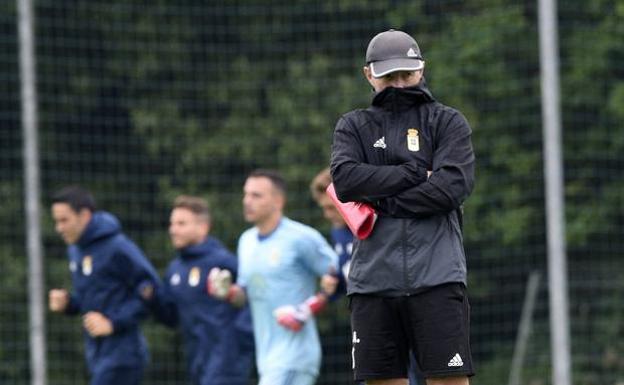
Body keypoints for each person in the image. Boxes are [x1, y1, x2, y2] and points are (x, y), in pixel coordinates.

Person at [330, 29, 476, 385]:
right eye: (388, 76)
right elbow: (346, 181)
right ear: (369, 75)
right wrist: (415, 173)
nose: (399, 84)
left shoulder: (447, 121)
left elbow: (450, 189)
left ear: (421, 69)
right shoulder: (353, 125)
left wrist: (378, 195)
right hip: (373, 284)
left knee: (449, 381)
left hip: (438, 278)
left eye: (406, 75)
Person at [207, 169, 339, 385]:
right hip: (267, 357)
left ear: (278, 201)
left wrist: (309, 307)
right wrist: (228, 292)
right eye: (246, 194)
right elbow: (245, 295)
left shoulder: (301, 238)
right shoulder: (246, 241)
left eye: (256, 195)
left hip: (295, 355)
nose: (247, 201)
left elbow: (342, 274)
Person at [310, 167, 425, 385]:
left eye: (330, 207)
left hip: (393, 309)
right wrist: (332, 286)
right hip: (364, 313)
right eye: (323, 208)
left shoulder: (374, 225)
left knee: (399, 373)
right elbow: (349, 272)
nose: (327, 214)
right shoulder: (338, 232)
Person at [48, 186, 161, 385]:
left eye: (64, 220)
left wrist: (114, 323)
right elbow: (94, 299)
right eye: (56, 221)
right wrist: (69, 303)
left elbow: (150, 288)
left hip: (124, 355)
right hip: (97, 353)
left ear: (84, 215)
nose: (59, 228)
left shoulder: (116, 246)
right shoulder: (76, 250)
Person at [146, 195, 254, 385]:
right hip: (196, 359)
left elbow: (253, 297)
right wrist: (152, 298)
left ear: (203, 227)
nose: (173, 230)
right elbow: (171, 317)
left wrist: (240, 338)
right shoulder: (175, 269)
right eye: (172, 224)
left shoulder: (223, 262)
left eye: (181, 224)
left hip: (227, 357)